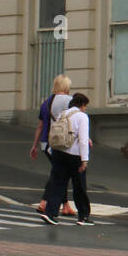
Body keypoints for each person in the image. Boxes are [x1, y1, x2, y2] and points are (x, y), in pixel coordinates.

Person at [38, 93, 94, 226]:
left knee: (58, 184)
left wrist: (52, 151)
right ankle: (83, 217)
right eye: (85, 106)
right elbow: (83, 140)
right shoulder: (82, 117)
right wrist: (84, 160)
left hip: (58, 152)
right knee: (79, 186)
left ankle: (50, 213)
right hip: (74, 155)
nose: (85, 109)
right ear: (82, 105)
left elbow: (55, 133)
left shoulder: (61, 115)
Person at [29, 75, 76, 217]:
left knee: (59, 172)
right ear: (66, 86)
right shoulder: (70, 101)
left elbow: (40, 125)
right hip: (62, 142)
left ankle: (64, 205)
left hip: (46, 142)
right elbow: (76, 120)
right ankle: (45, 202)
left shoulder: (46, 102)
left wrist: (34, 145)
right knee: (60, 174)